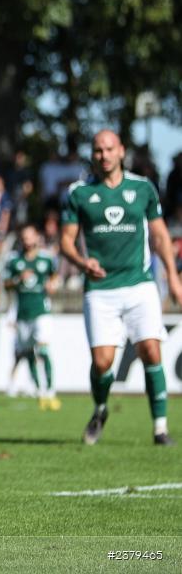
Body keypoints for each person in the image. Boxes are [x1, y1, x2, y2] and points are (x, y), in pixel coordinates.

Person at [60, 130, 182, 446]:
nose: (104, 155)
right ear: (92, 154)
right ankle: (100, 409)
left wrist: (173, 277)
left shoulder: (143, 188)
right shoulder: (79, 192)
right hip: (100, 289)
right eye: (98, 150)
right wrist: (82, 262)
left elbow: (160, 236)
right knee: (102, 362)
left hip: (139, 284)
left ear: (121, 151)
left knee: (151, 350)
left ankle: (160, 428)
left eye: (109, 149)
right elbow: (66, 242)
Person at [3, 224, 60, 409]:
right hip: (22, 313)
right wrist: (18, 279)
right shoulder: (14, 259)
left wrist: (52, 284)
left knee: (43, 350)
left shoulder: (46, 258)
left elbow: (55, 276)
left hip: (41, 311)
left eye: (30, 237)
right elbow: (5, 283)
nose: (27, 241)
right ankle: (39, 390)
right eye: (24, 237)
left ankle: (50, 389)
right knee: (28, 354)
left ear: (37, 237)